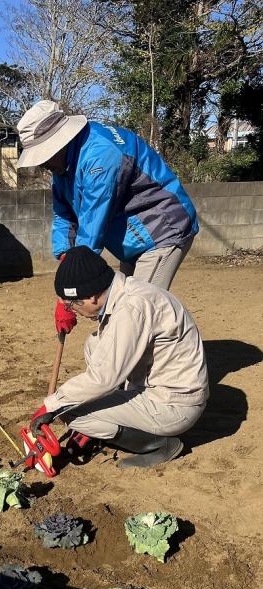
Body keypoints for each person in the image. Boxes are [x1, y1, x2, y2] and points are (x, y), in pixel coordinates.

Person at [16, 100, 199, 338]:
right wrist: (65, 261)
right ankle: (127, 369)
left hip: (162, 230)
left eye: (43, 156)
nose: (41, 164)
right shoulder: (62, 169)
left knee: (137, 311)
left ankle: (152, 369)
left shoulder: (99, 155)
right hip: (131, 240)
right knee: (118, 309)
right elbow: (64, 216)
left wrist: (66, 298)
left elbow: (92, 227)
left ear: (59, 142)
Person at [29, 246, 209, 468]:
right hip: (158, 388)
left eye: (73, 303)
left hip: (173, 405)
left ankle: (159, 445)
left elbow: (103, 378)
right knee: (94, 343)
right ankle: (110, 422)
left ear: (93, 295)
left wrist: (52, 406)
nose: (72, 309)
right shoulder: (122, 293)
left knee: (72, 414)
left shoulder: (132, 307)